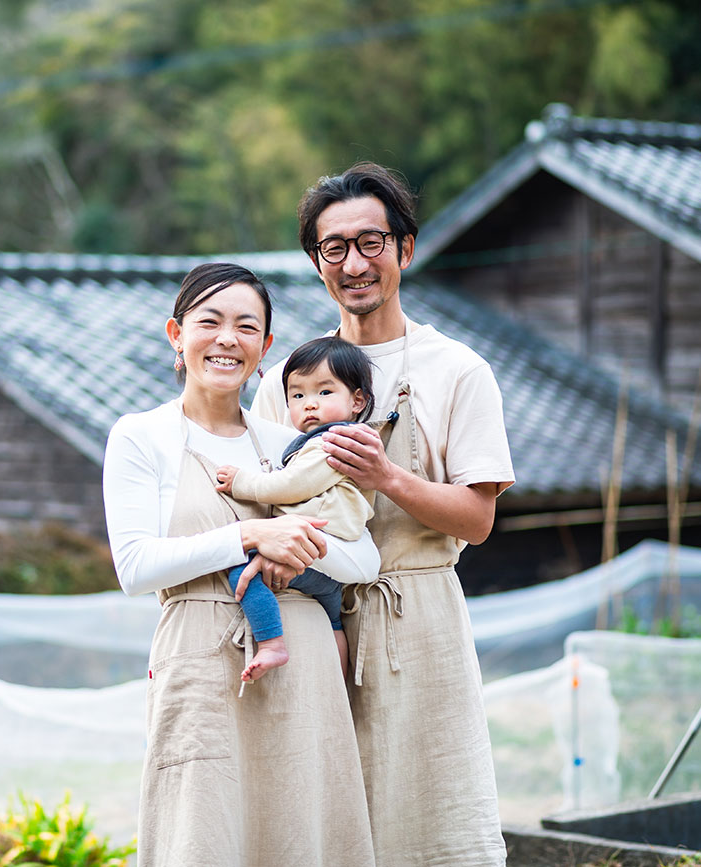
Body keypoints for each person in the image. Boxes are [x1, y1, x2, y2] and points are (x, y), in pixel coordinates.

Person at [251, 163, 515, 866]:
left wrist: (387, 477)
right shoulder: (289, 380)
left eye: (371, 243)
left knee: (433, 820)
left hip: (418, 616)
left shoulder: (456, 369)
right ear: (316, 261)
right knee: (320, 819)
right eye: (333, 248)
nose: (354, 264)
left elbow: (477, 519)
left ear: (405, 248)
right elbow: (257, 503)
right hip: (314, 617)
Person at [103, 262, 377, 867]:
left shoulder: (288, 445)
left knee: (299, 833)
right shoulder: (141, 436)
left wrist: (300, 547)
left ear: (265, 347)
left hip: (302, 657)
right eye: (210, 322)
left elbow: (364, 556)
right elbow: (135, 567)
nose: (227, 339)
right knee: (202, 834)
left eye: (246, 327)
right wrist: (250, 534)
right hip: (200, 659)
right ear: (176, 335)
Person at [213, 336, 379, 683]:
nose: (310, 404)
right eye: (297, 396)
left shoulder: (334, 442)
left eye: (325, 392)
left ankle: (271, 643)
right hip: (329, 560)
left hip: (318, 546)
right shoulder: (335, 440)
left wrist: (242, 482)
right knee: (333, 621)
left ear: (357, 400)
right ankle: (339, 686)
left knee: (242, 569)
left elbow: (292, 485)